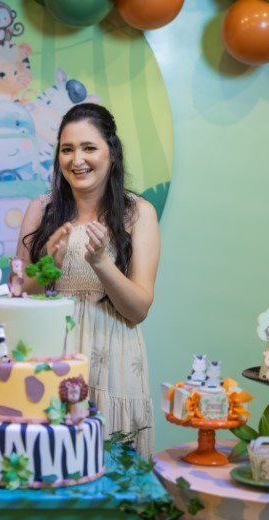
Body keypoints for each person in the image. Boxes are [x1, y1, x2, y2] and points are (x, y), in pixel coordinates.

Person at [16, 103, 160, 458]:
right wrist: (49, 265)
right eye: (67, 149)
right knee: (52, 461)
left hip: (114, 357)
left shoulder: (137, 212)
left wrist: (101, 263)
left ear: (112, 152)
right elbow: (18, 296)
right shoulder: (42, 210)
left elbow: (139, 309)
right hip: (52, 355)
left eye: (89, 148)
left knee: (113, 462)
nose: (77, 160)